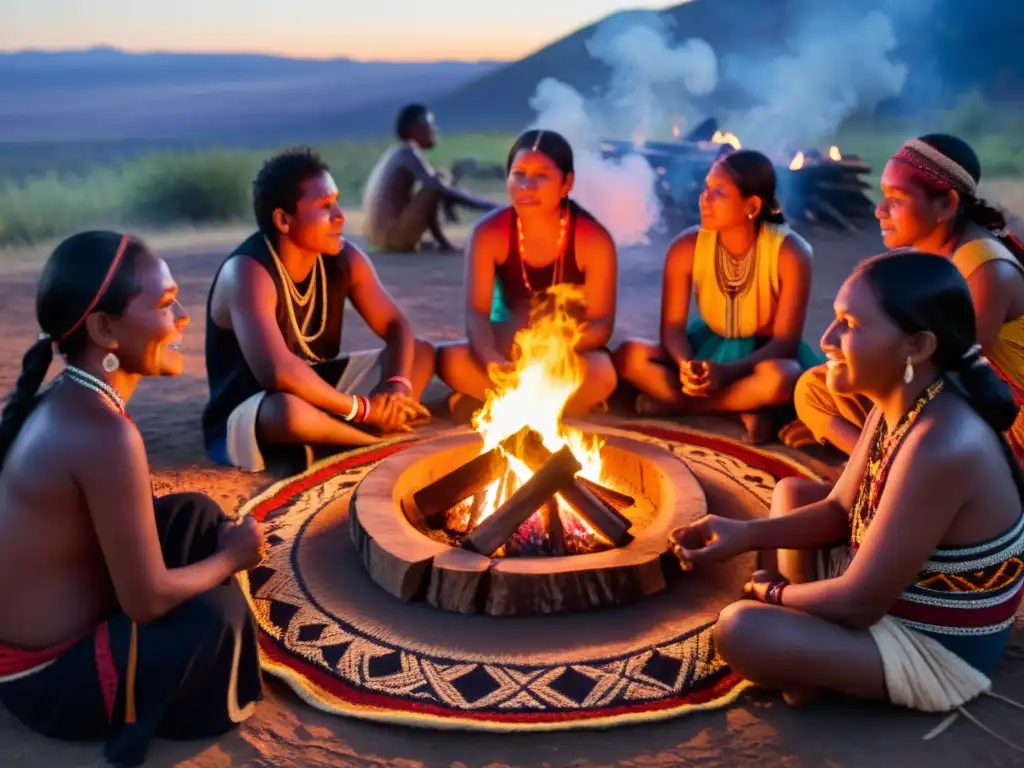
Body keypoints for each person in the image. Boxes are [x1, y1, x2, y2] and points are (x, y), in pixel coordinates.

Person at [671, 251, 1024, 711]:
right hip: (883, 597)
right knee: (793, 492)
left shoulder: (942, 444)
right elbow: (840, 511)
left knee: (741, 628)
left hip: (940, 648)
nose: (827, 338)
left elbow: (860, 603)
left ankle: (807, 664)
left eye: (850, 325)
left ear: (917, 346)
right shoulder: (904, 398)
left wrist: (770, 592)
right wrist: (743, 533)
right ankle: (810, 656)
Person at [0, 231, 266, 766]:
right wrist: (230, 559)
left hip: (65, 621)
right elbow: (146, 601)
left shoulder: (72, 399)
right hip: (46, 678)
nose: (185, 316)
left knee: (194, 515)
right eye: (167, 304)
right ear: (104, 328)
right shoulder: (103, 433)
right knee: (214, 614)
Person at [784, 134, 1024, 456]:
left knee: (853, 391)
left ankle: (887, 465)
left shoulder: (984, 270)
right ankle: (876, 459)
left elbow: (956, 379)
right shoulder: (936, 254)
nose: (879, 211)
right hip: (945, 391)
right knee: (815, 387)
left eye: (896, 199)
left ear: (946, 204)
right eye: (882, 196)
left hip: (1005, 415)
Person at [203, 147, 434, 473]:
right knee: (288, 412)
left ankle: (339, 431)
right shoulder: (248, 271)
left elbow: (397, 325)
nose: (340, 216)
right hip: (256, 404)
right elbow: (278, 373)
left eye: (336, 201)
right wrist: (364, 410)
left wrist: (395, 388)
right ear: (283, 220)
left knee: (420, 353)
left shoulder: (346, 260)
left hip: (320, 391)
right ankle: (366, 442)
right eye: (325, 207)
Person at [614, 149, 819, 444]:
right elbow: (672, 328)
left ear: (751, 205)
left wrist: (726, 372)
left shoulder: (790, 252)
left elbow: (785, 344)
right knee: (630, 356)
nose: (704, 200)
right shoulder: (686, 247)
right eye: (706, 189)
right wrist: (687, 366)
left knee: (782, 377)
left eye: (718, 193)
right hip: (705, 349)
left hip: (761, 357)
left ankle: (678, 406)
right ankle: (738, 408)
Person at [435, 129, 619, 418]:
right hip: (506, 350)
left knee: (603, 374)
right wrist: (489, 358)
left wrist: (555, 345)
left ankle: (498, 408)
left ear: (566, 183)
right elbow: (477, 311)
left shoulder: (592, 240)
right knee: (450, 360)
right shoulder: (488, 233)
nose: (527, 185)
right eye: (518, 173)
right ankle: (550, 410)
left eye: (541, 175)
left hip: (567, 356)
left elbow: (601, 323)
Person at [361, 104, 498, 253]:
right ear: (412, 130)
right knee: (438, 180)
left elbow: (433, 194)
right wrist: (492, 208)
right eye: (430, 123)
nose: (435, 129)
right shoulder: (408, 153)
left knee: (437, 181)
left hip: (380, 238)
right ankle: (436, 242)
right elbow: (436, 188)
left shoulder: (397, 153)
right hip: (392, 239)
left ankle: (440, 243)